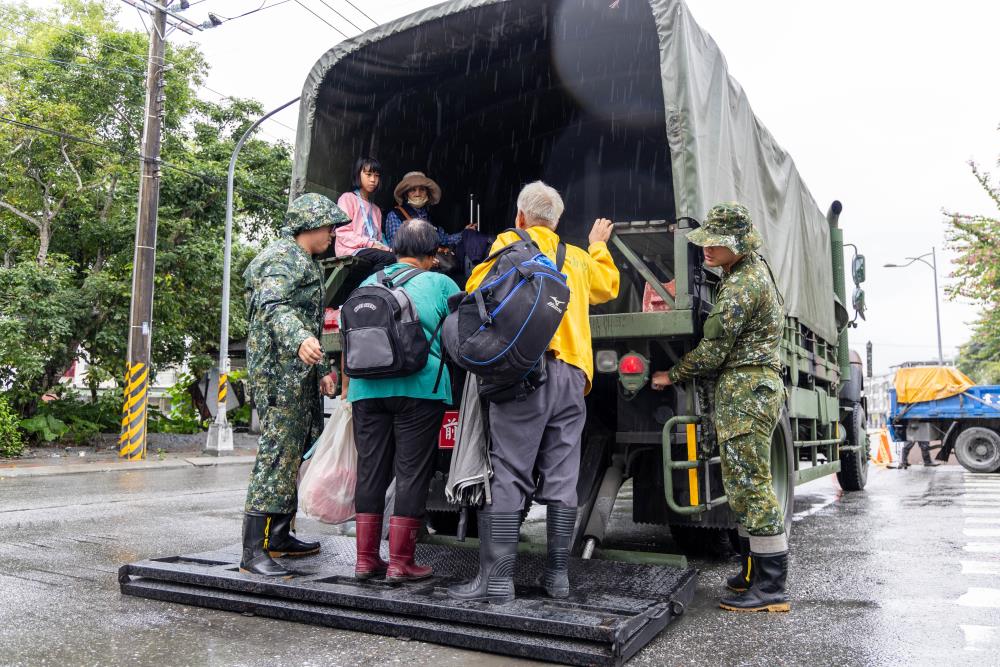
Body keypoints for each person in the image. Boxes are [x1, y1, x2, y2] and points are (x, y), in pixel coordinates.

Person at [448, 181, 619, 603]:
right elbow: (607, 286)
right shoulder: (576, 258)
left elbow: (475, 288)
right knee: (563, 476)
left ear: (521, 217)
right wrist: (598, 245)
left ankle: (498, 582)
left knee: (509, 472)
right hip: (573, 377)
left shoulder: (510, 243)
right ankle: (557, 579)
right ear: (557, 222)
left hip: (525, 375)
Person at [649, 202, 790, 613]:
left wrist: (671, 375)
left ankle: (772, 586)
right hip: (746, 391)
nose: (706, 250)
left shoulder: (742, 286)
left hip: (747, 392)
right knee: (743, 487)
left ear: (738, 245)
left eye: (716, 244)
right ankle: (753, 572)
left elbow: (713, 351)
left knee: (753, 487)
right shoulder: (745, 271)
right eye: (705, 242)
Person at [343, 219, 461, 582]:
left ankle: (365, 559)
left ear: (395, 249)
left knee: (372, 471)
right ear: (432, 254)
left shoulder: (368, 283)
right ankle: (400, 562)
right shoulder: (441, 283)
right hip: (419, 390)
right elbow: (462, 336)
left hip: (366, 389)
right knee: (412, 472)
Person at [240, 193, 347, 577]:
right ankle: (252, 551)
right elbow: (272, 307)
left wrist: (322, 372)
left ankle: (279, 535)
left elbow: (311, 323)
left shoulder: (307, 262)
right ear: (310, 226)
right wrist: (298, 340)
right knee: (277, 454)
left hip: (298, 374)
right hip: (279, 374)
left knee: (296, 450)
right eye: (329, 227)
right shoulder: (282, 257)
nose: (333, 235)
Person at [335, 156, 396, 272]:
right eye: (368, 175)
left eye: (376, 176)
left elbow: (378, 239)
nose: (373, 180)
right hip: (350, 251)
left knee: (397, 258)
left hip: (371, 251)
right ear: (358, 175)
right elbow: (342, 233)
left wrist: (387, 248)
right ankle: (369, 285)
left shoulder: (376, 209)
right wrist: (370, 244)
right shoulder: (347, 198)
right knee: (390, 258)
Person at [384, 171, 471, 249]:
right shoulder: (395, 215)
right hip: (409, 265)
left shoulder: (429, 216)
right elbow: (395, 245)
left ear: (427, 193)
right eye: (412, 190)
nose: (417, 194)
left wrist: (465, 232)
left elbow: (444, 239)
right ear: (406, 194)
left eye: (422, 189)